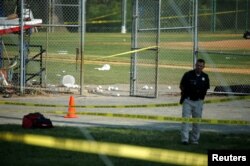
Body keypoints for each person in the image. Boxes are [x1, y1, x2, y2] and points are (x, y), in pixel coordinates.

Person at [179, 59, 210, 145]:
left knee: (197, 122)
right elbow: (181, 86)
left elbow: (206, 88)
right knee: (185, 120)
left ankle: (194, 139)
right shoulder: (188, 74)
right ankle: (184, 139)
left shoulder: (205, 76)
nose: (199, 67)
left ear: (203, 67)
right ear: (195, 65)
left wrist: (201, 97)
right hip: (188, 101)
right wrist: (186, 94)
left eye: (201, 66)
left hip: (198, 102)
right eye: (198, 65)